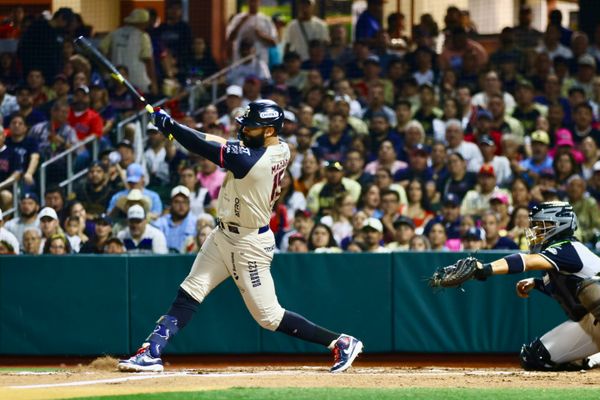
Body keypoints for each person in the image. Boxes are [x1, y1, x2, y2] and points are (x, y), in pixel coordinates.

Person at [118, 99, 363, 373]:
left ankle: (340, 342)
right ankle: (151, 351)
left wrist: (170, 127)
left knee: (269, 317)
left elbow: (201, 145)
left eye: (253, 127)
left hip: (249, 244)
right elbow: (216, 140)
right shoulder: (279, 148)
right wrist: (173, 125)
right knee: (190, 291)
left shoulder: (254, 160)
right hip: (224, 234)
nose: (245, 130)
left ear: (269, 131)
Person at [445, 202, 600, 370]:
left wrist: (486, 269)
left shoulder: (567, 248)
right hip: (589, 323)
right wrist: (536, 283)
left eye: (543, 225)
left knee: (590, 292)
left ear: (559, 225)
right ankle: (592, 358)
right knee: (534, 357)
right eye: (535, 225)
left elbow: (525, 261)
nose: (536, 230)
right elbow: (567, 291)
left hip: (595, 317)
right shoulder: (556, 259)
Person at [99, 9, 158, 95]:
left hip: (117, 81)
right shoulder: (143, 36)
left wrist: (106, 71)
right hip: (138, 83)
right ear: (144, 22)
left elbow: (101, 50)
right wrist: (154, 83)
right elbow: (148, 60)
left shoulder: (114, 33)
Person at [17, 7, 75, 82]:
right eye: (66, 22)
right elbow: (24, 47)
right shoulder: (38, 26)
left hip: (52, 74)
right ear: (61, 17)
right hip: (34, 72)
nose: (65, 25)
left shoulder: (60, 32)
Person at [226, 0, 277, 65]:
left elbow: (274, 42)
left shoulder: (266, 20)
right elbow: (230, 38)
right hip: (240, 63)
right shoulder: (238, 18)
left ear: (259, 2)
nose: (253, 4)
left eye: (255, 1)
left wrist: (261, 35)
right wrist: (241, 23)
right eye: (251, 1)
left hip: (260, 62)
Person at [152, 185, 197, 253]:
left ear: (189, 204)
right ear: (171, 204)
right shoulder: (162, 222)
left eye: (184, 202)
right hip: (164, 260)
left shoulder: (196, 223)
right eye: (177, 202)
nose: (181, 205)